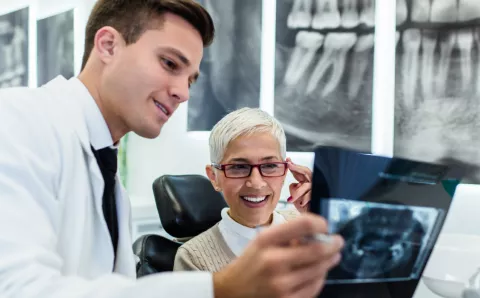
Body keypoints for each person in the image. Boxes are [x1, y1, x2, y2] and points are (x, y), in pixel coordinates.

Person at [0, 0, 344, 297]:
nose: (183, 92)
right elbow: (16, 289)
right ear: (107, 46)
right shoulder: (17, 121)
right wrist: (219, 289)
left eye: (191, 78)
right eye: (169, 64)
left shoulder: (108, 181)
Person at [174, 107, 315, 271]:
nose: (256, 183)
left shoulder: (308, 224)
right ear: (214, 177)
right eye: (239, 167)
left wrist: (326, 222)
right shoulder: (193, 258)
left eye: (269, 166)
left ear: (285, 171)